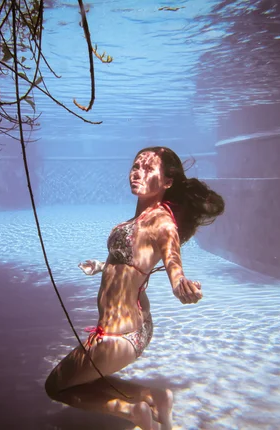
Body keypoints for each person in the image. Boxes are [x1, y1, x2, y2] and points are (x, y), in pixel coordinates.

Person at [44, 146, 225, 430]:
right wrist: (102, 267)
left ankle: (133, 413)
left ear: (167, 182)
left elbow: (173, 265)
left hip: (119, 335)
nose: (137, 173)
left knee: (55, 386)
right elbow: (134, 264)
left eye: (148, 169)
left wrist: (182, 287)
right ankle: (156, 397)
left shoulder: (163, 224)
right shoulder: (141, 218)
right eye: (135, 166)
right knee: (88, 377)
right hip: (131, 328)